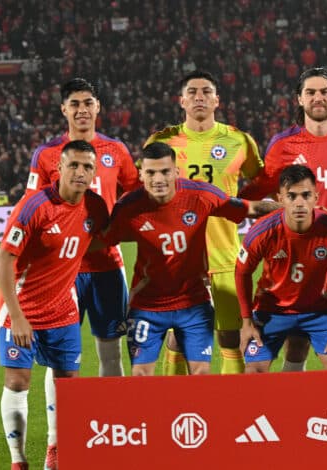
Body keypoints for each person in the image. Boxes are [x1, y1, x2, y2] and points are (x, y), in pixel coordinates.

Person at [240, 66, 327, 371]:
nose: (318, 98)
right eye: (311, 92)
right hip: (295, 252)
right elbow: (255, 192)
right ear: (299, 99)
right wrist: (276, 215)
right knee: (296, 333)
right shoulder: (282, 145)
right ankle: (293, 410)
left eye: (324, 92)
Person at [100, 143, 278, 376]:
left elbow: (250, 208)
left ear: (176, 172)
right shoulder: (128, 207)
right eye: (151, 172)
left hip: (193, 303)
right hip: (147, 306)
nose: (158, 179)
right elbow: (102, 239)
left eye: (165, 171)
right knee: (140, 376)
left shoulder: (200, 195)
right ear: (141, 174)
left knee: (202, 375)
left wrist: (294, 208)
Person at [0, 140, 108, 470]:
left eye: (87, 167)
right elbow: (3, 260)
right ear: (59, 169)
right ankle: (18, 461)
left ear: (94, 172)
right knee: (17, 382)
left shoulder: (96, 207)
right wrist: (16, 317)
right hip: (23, 308)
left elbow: (103, 236)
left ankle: (55, 448)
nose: (80, 172)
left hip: (63, 310)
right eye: (74, 165)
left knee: (67, 382)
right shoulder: (35, 206)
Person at [146, 71, 264, 375]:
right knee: (178, 336)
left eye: (206, 91)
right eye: (193, 92)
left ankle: (229, 409)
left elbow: (260, 181)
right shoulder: (162, 140)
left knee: (231, 335)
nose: (200, 97)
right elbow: (145, 187)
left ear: (217, 100)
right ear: (182, 100)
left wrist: (237, 203)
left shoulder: (239, 140)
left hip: (225, 253)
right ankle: (175, 408)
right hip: (178, 256)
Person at [27, 78, 139, 378]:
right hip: (61, 270)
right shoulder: (47, 154)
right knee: (59, 357)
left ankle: (113, 421)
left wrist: (119, 225)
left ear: (98, 107)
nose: (82, 110)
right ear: (64, 109)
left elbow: (137, 194)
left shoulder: (115, 150)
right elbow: (30, 207)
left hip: (107, 266)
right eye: (74, 104)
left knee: (111, 352)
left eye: (88, 103)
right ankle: (58, 426)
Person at [236, 165, 327, 372]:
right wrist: (246, 322)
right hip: (271, 310)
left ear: (316, 197)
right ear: (280, 199)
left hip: (319, 310)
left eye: (306, 195)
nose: (299, 203)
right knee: (252, 373)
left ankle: (303, 401)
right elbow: (242, 272)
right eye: (291, 196)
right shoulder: (262, 231)